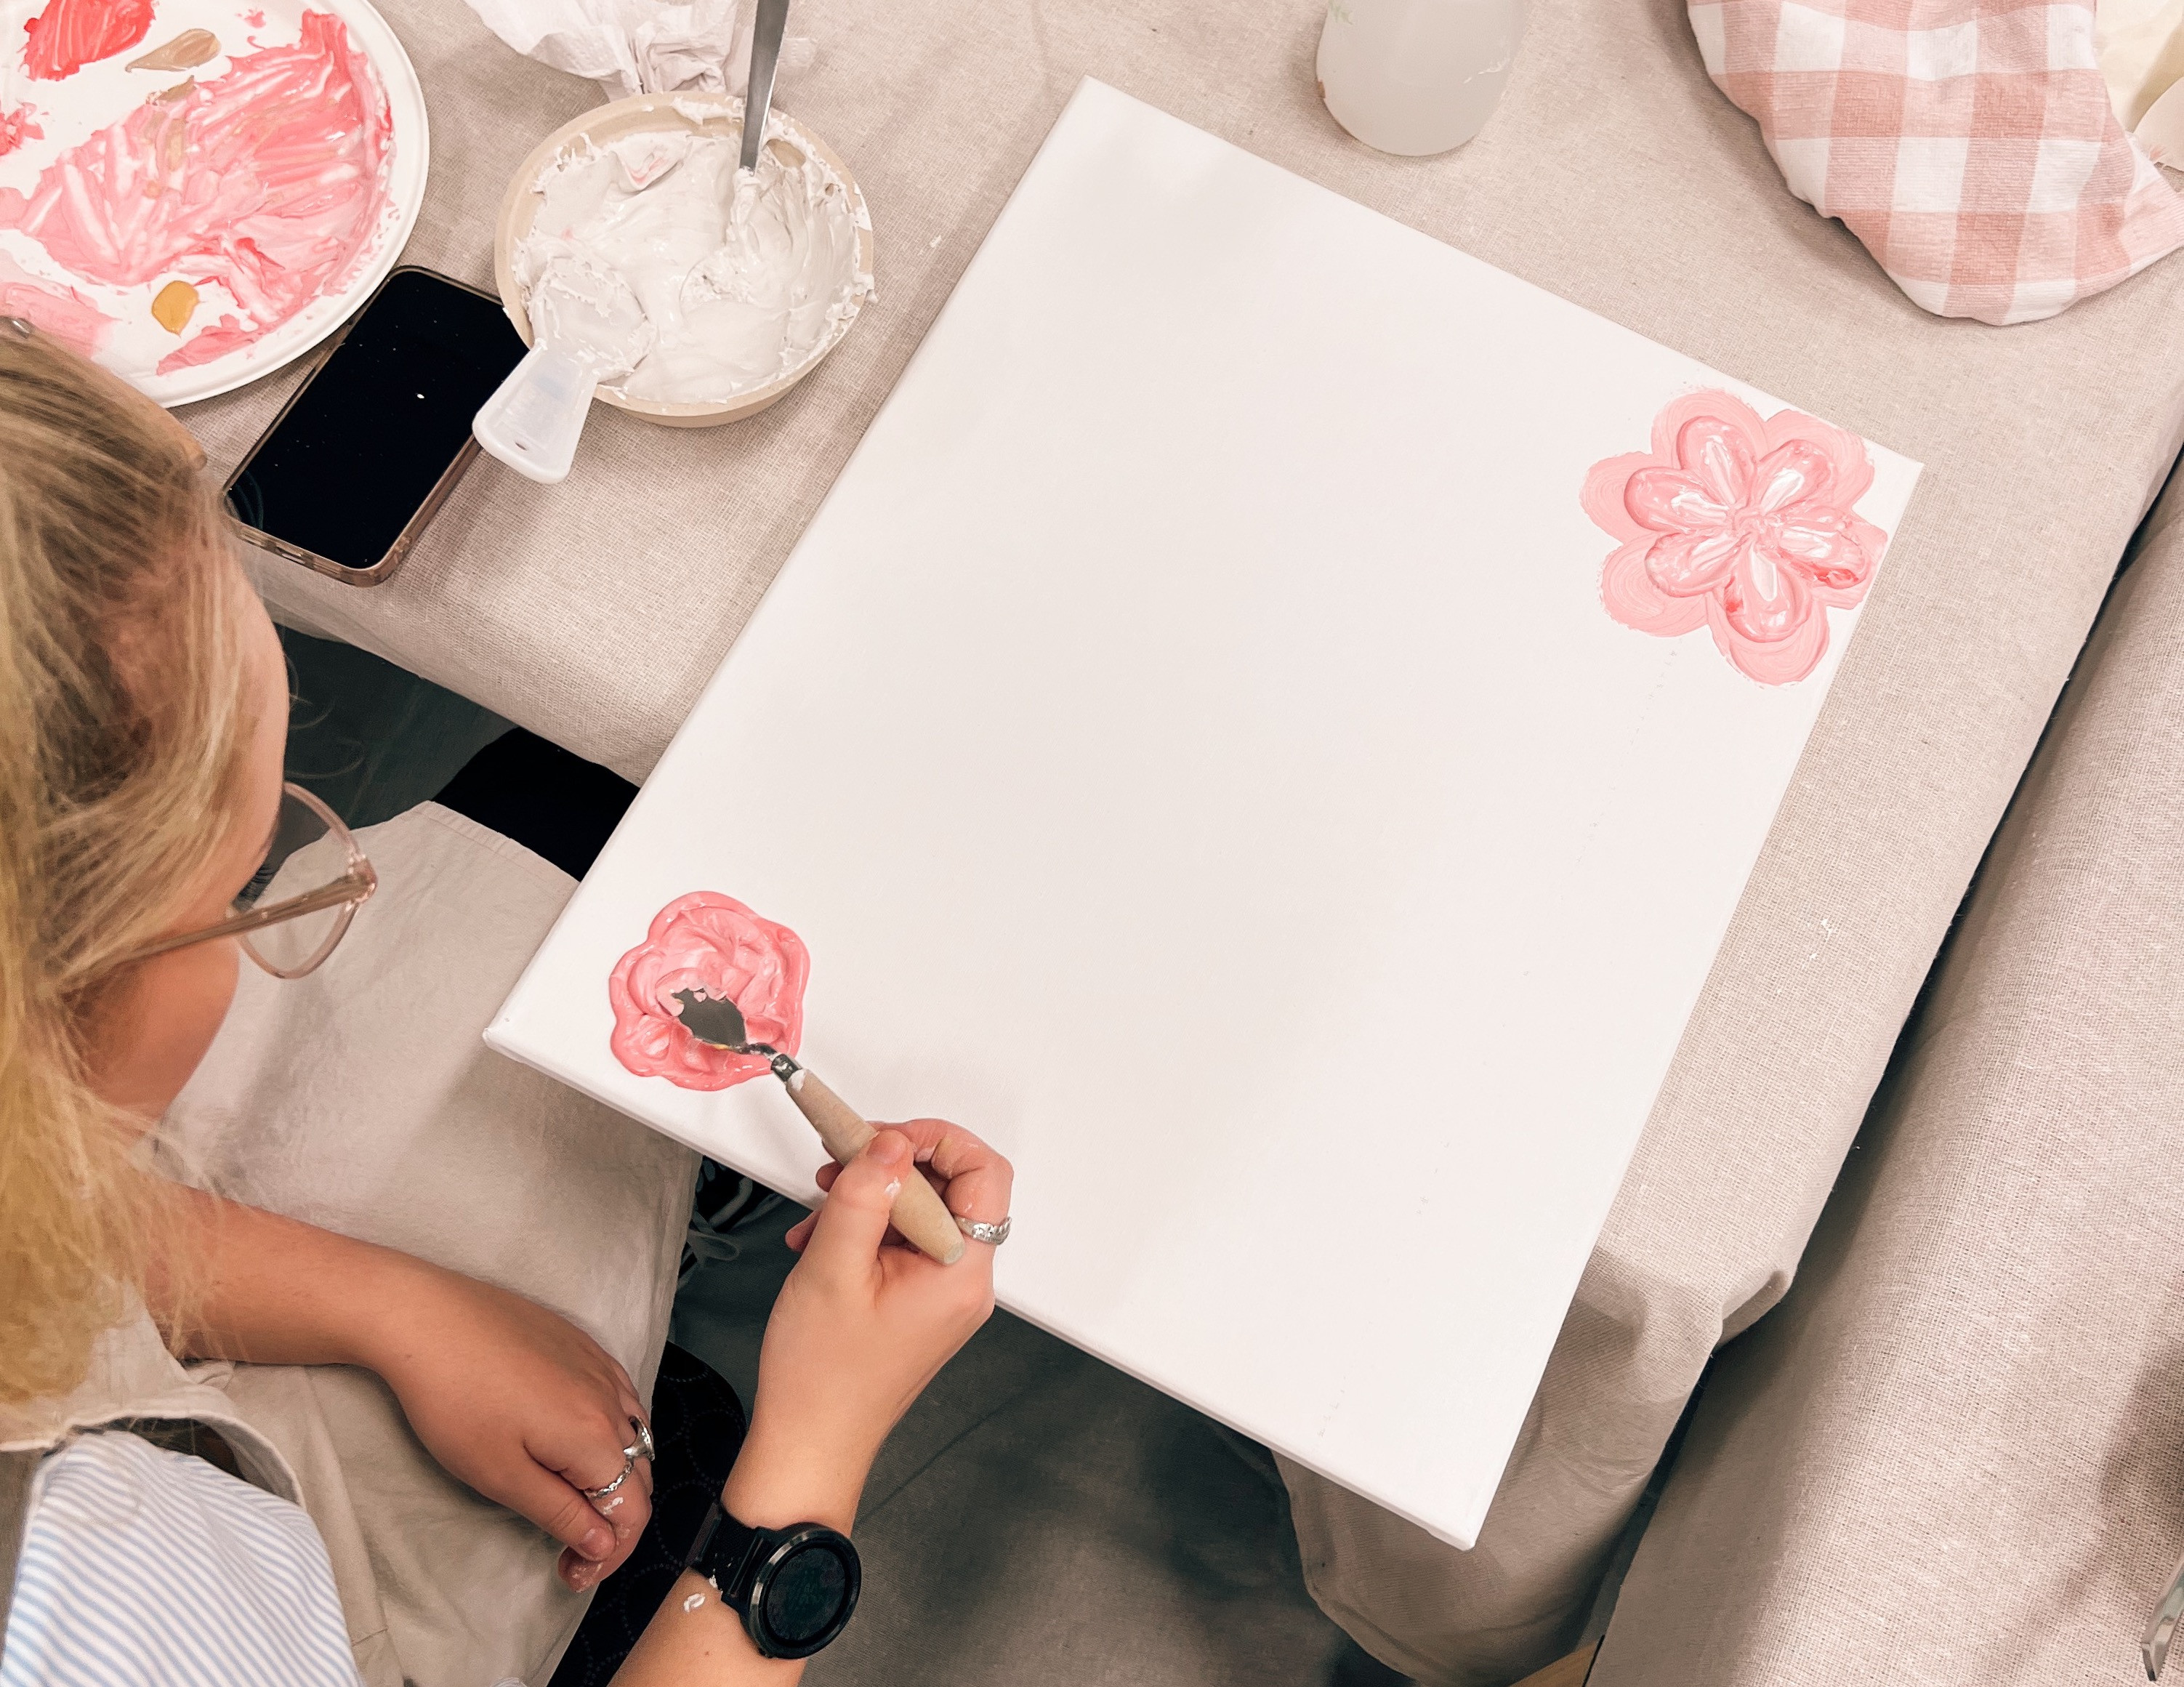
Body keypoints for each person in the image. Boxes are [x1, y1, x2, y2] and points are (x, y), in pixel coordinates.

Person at [0, 317, 1014, 1685]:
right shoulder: (102, 1601)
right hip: (294, 1606)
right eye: (242, 889)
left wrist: (388, 1306)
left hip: (138, 1398)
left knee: (562, 817)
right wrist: (803, 1475)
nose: (252, 932)